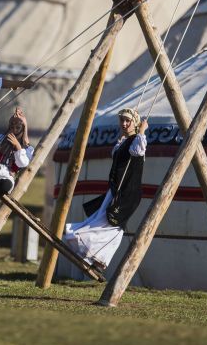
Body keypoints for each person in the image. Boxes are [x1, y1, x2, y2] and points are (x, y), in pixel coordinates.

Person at [63, 108, 149, 271]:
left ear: (135, 122)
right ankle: (95, 258)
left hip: (127, 193)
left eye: (127, 120)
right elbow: (117, 153)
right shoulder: (125, 141)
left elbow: (138, 151)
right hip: (117, 190)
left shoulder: (137, 141)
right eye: (121, 120)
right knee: (107, 223)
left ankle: (87, 251)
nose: (124, 123)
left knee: (110, 225)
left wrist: (142, 130)